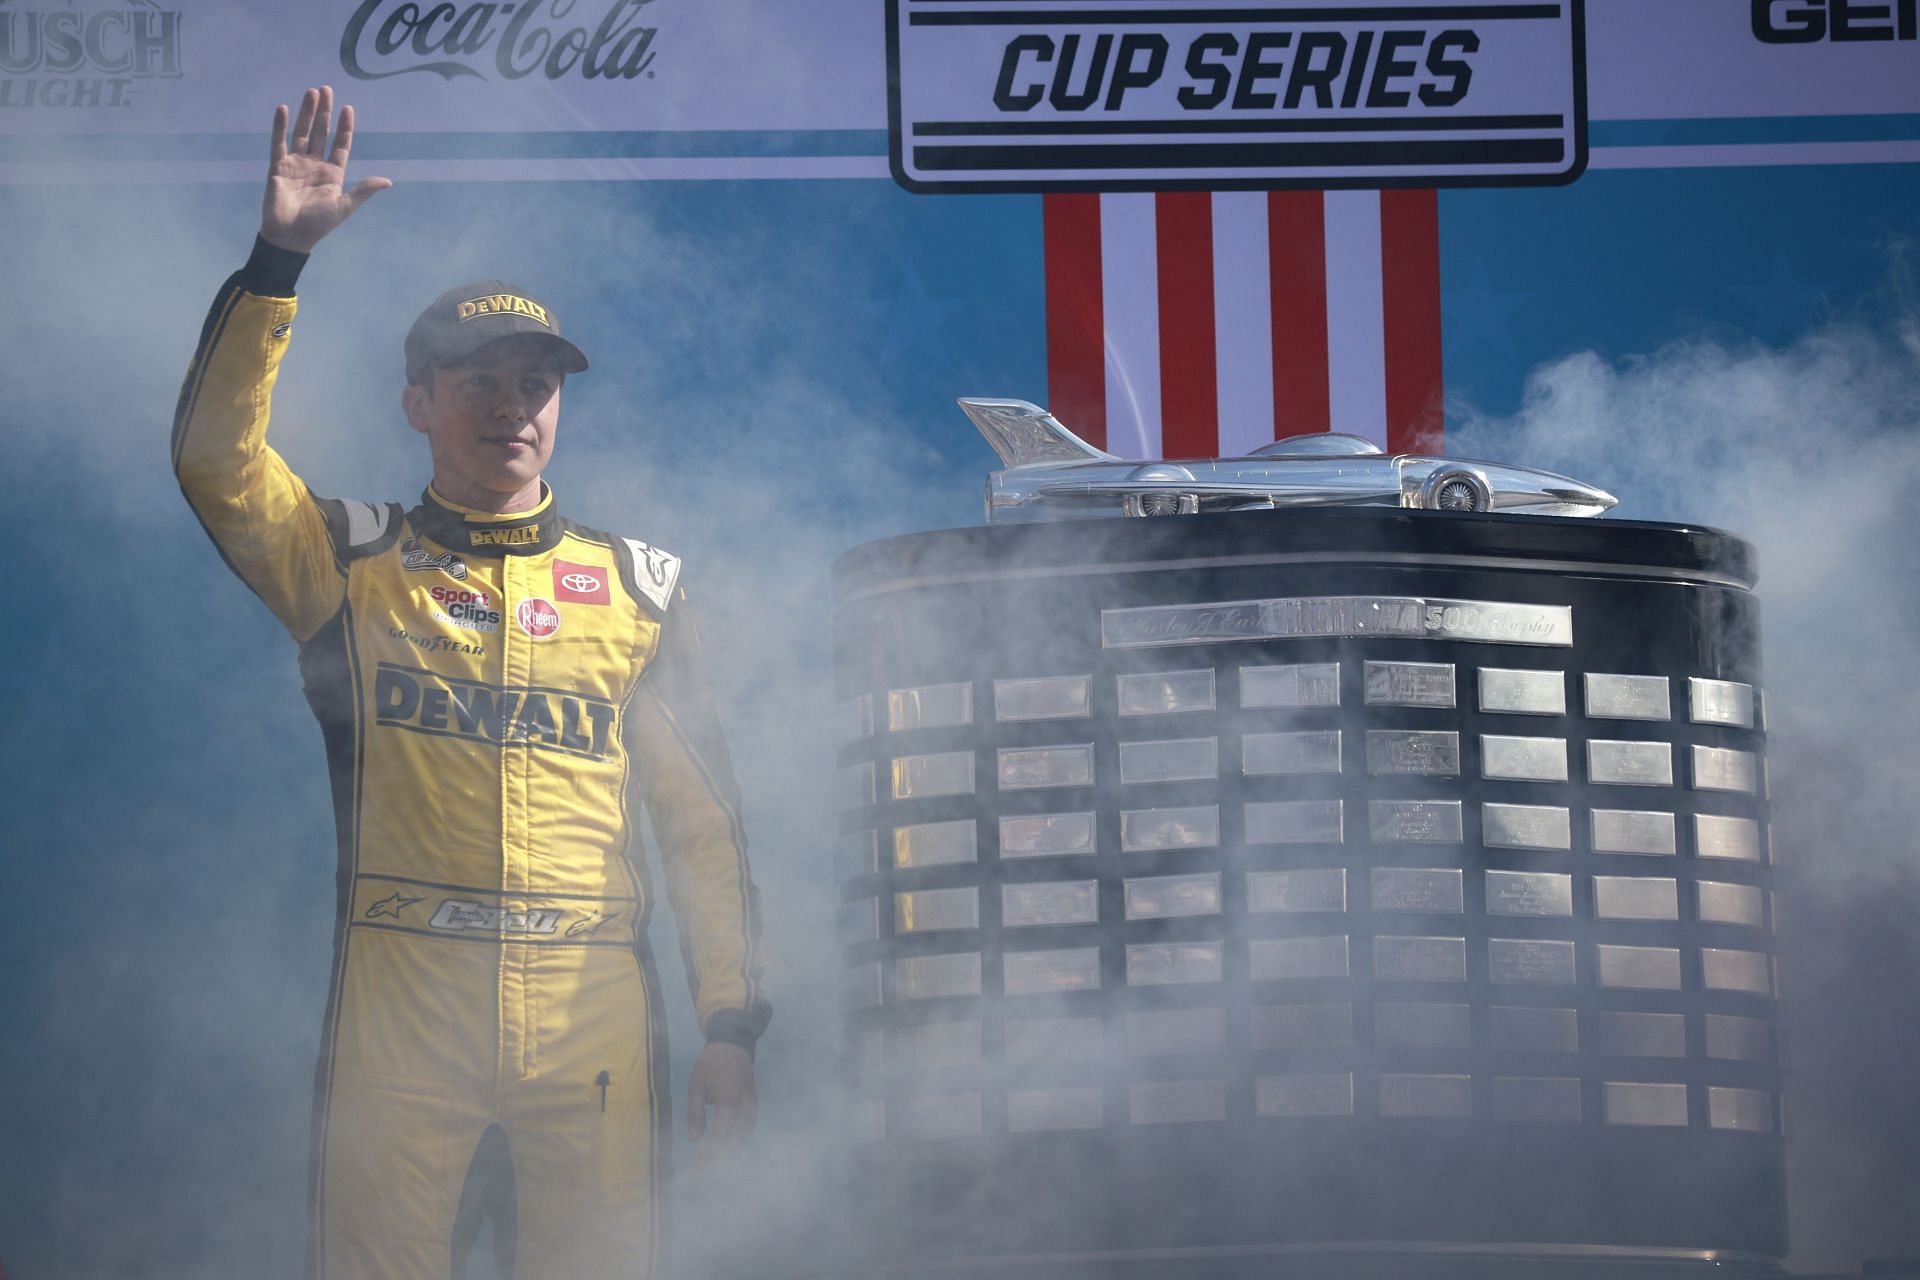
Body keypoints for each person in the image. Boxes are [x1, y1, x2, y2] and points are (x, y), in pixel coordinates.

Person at [172, 87, 770, 1279]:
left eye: (535, 383)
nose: (511, 405)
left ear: (560, 406)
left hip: (593, 1000)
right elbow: (214, 459)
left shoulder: (642, 587)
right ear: (419, 404)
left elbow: (701, 826)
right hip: (405, 998)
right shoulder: (348, 558)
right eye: (478, 380)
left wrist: (732, 1022)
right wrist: (277, 262)